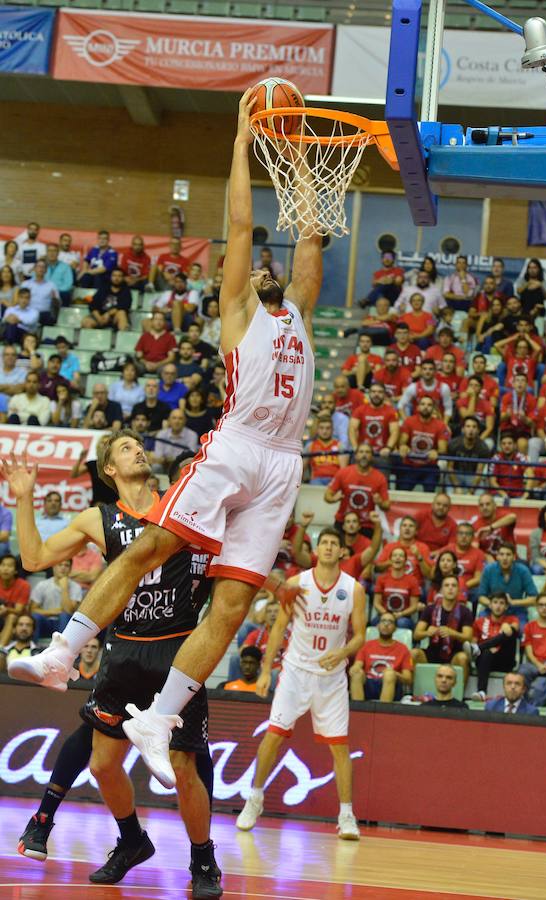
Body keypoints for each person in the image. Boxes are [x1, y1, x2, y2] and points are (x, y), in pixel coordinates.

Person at [10, 90, 323, 797]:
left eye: (278, 271)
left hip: (282, 464)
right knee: (151, 545)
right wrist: (245, 143)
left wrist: (298, 153)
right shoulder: (241, 310)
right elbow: (242, 223)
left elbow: (308, 236)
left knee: (235, 604)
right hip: (238, 443)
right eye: (263, 269)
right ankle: (63, 650)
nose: (271, 270)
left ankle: (163, 716)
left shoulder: (300, 309)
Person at [3, 434, 220, 896]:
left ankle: (203, 862)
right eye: (125, 448)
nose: (138, 450)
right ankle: (131, 840)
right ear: (109, 470)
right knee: (102, 764)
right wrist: (24, 500)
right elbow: (34, 558)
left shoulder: (179, 504)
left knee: (184, 765)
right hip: (123, 650)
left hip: (177, 651)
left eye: (139, 445)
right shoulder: (98, 519)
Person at [235, 528, 366, 839]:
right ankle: (254, 798)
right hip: (295, 671)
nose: (330, 548)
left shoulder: (354, 589)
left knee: (340, 747)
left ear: (342, 552)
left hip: (331, 677)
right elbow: (279, 627)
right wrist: (267, 670)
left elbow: (360, 634)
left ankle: (346, 815)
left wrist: (344, 651)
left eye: (335, 544)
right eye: (325, 543)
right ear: (317, 550)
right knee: (273, 735)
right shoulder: (296, 584)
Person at [412, 574, 473, 686]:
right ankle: (415, 692)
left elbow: (468, 636)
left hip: (453, 654)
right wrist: (427, 632)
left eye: (454, 586)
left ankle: (458, 696)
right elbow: (416, 635)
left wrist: (452, 633)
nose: (450, 588)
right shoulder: (430, 609)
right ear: (441, 590)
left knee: (463, 658)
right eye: (447, 585)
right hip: (432, 652)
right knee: (414, 653)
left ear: (458, 590)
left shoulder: (465, 611)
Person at [325, 442, 390, 534]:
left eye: (367, 452)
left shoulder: (380, 478)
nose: (364, 455)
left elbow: (387, 506)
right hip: (343, 521)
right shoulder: (343, 473)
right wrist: (333, 499)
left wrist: (380, 503)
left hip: (366, 525)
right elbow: (327, 496)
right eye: (361, 452)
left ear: (372, 457)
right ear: (355, 456)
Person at [350, 612, 413, 701]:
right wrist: (354, 669)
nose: (386, 624)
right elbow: (357, 665)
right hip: (369, 684)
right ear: (378, 625)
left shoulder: (403, 649)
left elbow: (408, 678)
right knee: (356, 674)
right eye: (383, 621)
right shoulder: (367, 645)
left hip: (391, 686)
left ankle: (383, 713)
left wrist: (394, 674)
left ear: (395, 628)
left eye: (390, 622)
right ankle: (358, 711)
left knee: (389, 674)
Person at [468, 592, 520, 700]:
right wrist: (487, 649)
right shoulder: (479, 622)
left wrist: (482, 647)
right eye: (495, 602)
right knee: (486, 653)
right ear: (490, 605)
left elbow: (512, 631)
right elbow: (473, 642)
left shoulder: (512, 619)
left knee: (509, 632)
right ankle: (482, 692)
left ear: (506, 607)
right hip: (484, 659)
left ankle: (480, 648)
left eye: (502, 603)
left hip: (504, 659)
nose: (498, 606)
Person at [397, 395, 450, 493]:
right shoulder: (409, 421)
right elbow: (402, 442)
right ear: (418, 407)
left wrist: (436, 451)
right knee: (402, 490)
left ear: (433, 408)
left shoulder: (440, 425)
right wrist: (403, 446)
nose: (426, 407)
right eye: (423, 404)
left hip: (429, 466)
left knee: (430, 490)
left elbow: (443, 449)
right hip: (409, 465)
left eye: (429, 405)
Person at [478, 542, 537, 625]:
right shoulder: (489, 570)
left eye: (508, 554)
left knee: (521, 630)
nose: (505, 558)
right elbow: (481, 596)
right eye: (501, 554)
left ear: (514, 557)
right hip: (492, 611)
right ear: (497, 556)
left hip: (516, 611)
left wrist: (513, 602)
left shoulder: (523, 571)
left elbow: (534, 598)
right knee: (481, 626)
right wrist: (494, 605)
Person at [30, 559, 82, 639]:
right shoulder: (42, 585)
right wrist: (53, 612)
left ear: (70, 569)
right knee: (36, 617)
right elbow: (33, 610)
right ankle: (32, 647)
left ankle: (63, 648)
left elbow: (69, 611)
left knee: (64, 616)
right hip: (46, 622)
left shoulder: (76, 587)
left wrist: (64, 588)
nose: (63, 568)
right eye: (60, 565)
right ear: (53, 567)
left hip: (66, 624)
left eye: (66, 565)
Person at [372, 547, 420, 628]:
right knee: (375, 622)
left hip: (403, 617)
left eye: (401, 556)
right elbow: (376, 603)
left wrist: (401, 614)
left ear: (405, 561)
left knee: (402, 623)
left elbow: (414, 606)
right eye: (395, 555)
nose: (397, 558)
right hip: (384, 614)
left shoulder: (413, 580)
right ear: (390, 560)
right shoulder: (381, 579)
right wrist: (386, 614)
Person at [471, 493, 517, 561]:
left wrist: (491, 527)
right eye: (481, 505)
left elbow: (513, 517)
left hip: (509, 559)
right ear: (478, 508)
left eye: (488, 504)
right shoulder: (475, 525)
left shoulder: (502, 516)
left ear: (495, 506)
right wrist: (486, 556)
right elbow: (474, 549)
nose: (484, 507)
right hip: (489, 562)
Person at [304, 416, 346, 485]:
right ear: (317, 429)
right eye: (321, 428)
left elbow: (343, 470)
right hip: (316, 480)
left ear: (332, 430)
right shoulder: (310, 446)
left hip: (334, 480)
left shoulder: (339, 445)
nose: (324, 431)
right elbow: (301, 469)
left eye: (328, 428)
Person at [0, 554, 31, 647]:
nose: (5, 569)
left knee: (11, 616)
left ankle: (1, 648)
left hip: (17, 619)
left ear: (16, 570)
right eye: (3, 565)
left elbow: (18, 610)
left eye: (9, 566)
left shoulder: (24, 585)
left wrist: (6, 610)